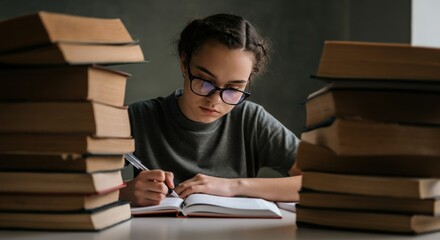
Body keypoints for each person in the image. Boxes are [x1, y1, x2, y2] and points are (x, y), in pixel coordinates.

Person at [120, 13, 302, 207]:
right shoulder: (138, 117)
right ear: (184, 63)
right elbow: (84, 185)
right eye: (205, 82)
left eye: (233, 89)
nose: (214, 100)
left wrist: (235, 186)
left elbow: (319, 181)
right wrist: (124, 191)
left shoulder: (252, 121)